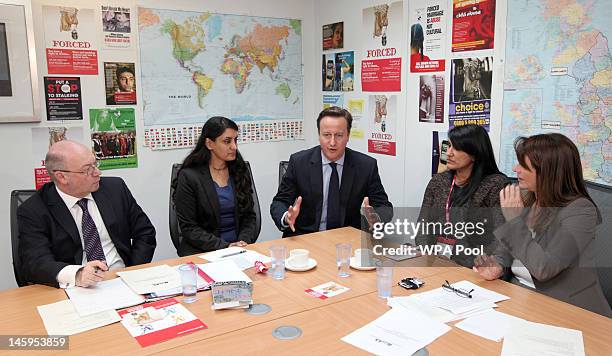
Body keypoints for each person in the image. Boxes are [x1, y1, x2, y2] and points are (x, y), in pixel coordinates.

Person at [474, 134, 612, 316]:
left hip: (568, 311)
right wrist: (497, 267)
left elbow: (544, 268)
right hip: (519, 298)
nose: (516, 169)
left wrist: (514, 221)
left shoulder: (581, 211)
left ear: (548, 171)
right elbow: (505, 252)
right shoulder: (526, 200)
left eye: (523, 166)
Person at [17, 141, 156, 288]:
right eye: (88, 169)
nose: (97, 173)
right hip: (75, 287)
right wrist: (77, 275)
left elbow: (145, 233)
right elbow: (36, 262)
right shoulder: (33, 210)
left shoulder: (115, 189)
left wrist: (132, 272)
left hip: (122, 278)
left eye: (95, 165)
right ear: (61, 177)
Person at [270, 106, 393, 237]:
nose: (332, 142)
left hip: (347, 240)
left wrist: (377, 218)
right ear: (319, 135)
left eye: (339, 135)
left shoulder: (366, 166)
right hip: (305, 237)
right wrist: (286, 217)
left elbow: (384, 206)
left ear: (348, 136)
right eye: (327, 135)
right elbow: (279, 202)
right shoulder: (299, 162)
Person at [416, 124, 508, 268]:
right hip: (436, 262)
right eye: (449, 146)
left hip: (475, 268)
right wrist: (427, 254)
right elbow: (423, 225)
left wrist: (477, 264)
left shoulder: (495, 185)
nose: (449, 153)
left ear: (474, 153)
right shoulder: (439, 181)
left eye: (457, 148)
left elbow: (502, 237)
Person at [173, 117, 257, 255]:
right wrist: (226, 247)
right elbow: (189, 228)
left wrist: (242, 242)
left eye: (235, 140)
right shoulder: (189, 176)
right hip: (203, 252)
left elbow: (249, 217)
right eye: (227, 141)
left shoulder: (239, 170)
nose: (234, 147)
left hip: (239, 250)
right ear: (209, 143)